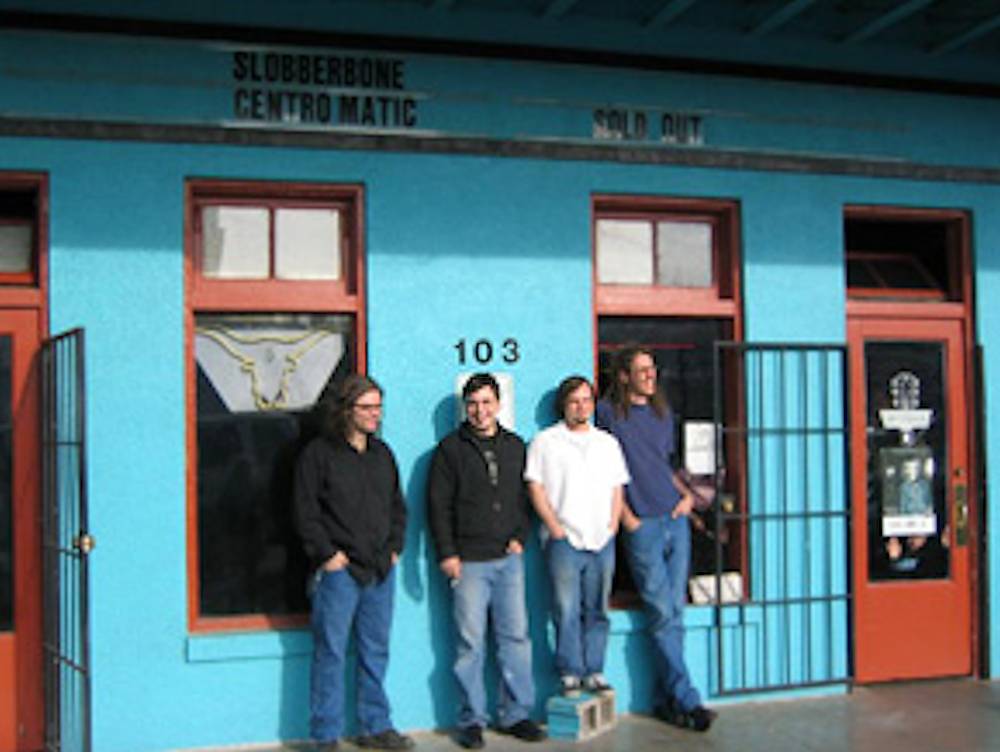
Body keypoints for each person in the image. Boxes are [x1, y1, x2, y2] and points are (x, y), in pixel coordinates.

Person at [595, 346, 717, 732]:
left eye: (653, 369)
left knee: (673, 611)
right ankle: (688, 699)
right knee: (662, 612)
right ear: (624, 376)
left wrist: (686, 497)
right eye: (642, 369)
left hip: (675, 517)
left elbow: (663, 464)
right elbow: (600, 468)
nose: (651, 375)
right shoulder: (608, 415)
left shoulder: (663, 414)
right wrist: (627, 518)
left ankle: (668, 700)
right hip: (642, 524)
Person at [294, 374, 414, 752]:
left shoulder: (383, 454)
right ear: (346, 410)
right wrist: (327, 555)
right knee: (330, 652)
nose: (374, 415)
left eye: (378, 407)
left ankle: (374, 726)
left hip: (379, 570)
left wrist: (394, 547)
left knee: (375, 650)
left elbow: (398, 507)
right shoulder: (319, 454)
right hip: (339, 572)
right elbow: (305, 510)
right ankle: (325, 735)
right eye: (366, 408)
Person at [427, 373, 547, 749]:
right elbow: (438, 507)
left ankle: (516, 714)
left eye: (486, 402)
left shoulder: (515, 446)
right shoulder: (450, 450)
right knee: (470, 643)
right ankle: (472, 720)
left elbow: (525, 499)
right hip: (468, 562)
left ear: (498, 404)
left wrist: (519, 537)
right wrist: (447, 553)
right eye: (473, 404)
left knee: (516, 639)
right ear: (467, 407)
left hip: (508, 559)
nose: (480, 411)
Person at [524, 376, 629, 696]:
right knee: (565, 609)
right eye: (574, 401)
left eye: (586, 400)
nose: (581, 406)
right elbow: (535, 486)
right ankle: (570, 672)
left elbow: (617, 487)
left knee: (597, 609)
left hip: (602, 539)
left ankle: (595, 670)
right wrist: (554, 527)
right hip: (564, 539)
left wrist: (612, 525)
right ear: (563, 405)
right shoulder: (546, 441)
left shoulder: (606, 443)